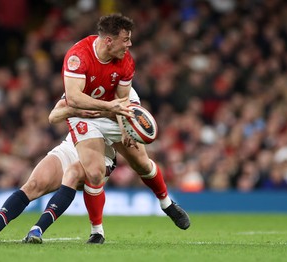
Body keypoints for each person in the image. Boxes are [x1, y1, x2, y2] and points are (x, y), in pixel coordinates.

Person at [21, 13, 190, 245]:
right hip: (89, 111)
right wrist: (106, 107)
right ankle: (97, 232)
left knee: (140, 161)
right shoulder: (78, 56)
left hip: (116, 106)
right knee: (93, 171)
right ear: (109, 40)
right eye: (125, 39)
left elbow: (122, 99)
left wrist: (125, 128)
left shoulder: (126, 60)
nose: (129, 44)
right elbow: (73, 98)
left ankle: (167, 204)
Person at [0, 99, 117, 244]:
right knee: (34, 184)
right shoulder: (77, 84)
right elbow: (53, 116)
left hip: (100, 155)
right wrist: (75, 111)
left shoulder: (121, 94)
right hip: (71, 146)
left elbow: (131, 131)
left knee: (72, 174)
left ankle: (37, 230)